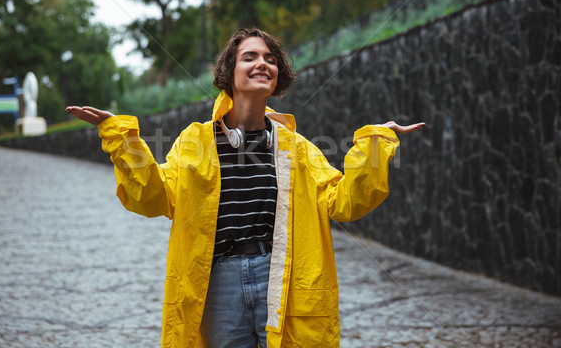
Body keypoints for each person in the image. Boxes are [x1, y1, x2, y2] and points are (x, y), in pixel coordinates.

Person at [66, 28, 425, 347]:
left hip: (282, 279)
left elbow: (344, 202)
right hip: (218, 283)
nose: (262, 64)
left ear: (278, 75)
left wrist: (377, 145)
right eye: (249, 56)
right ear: (230, 73)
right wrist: (122, 140)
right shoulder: (196, 140)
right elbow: (154, 195)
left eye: (270, 59)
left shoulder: (295, 147)